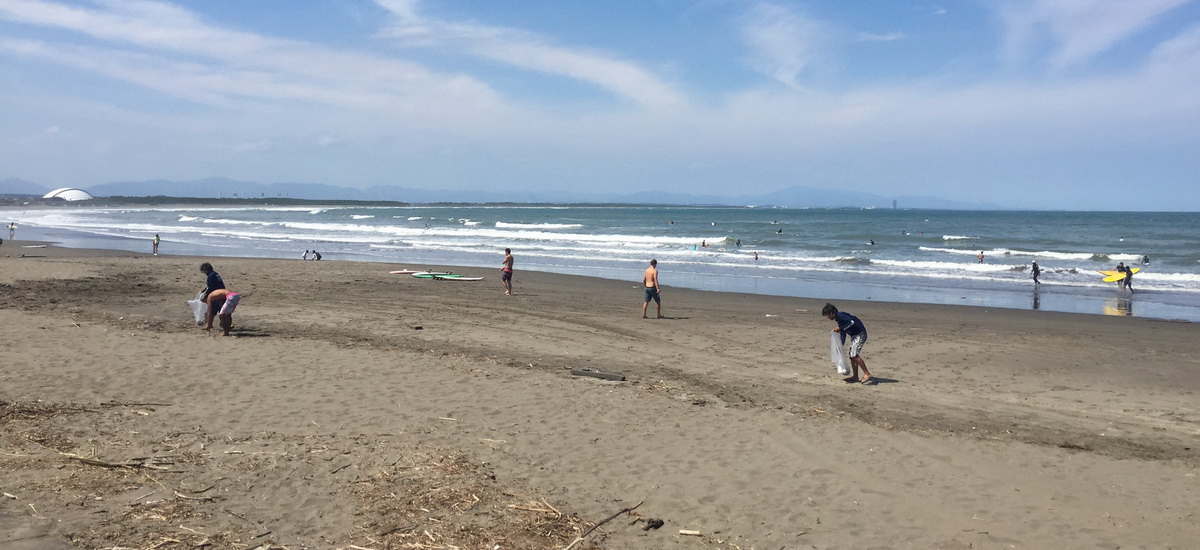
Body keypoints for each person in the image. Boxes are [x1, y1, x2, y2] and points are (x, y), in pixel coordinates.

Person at [823, 303, 873, 384]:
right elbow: (843, 333)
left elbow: (851, 323)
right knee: (852, 356)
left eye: (827, 315)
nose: (827, 317)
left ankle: (867, 373)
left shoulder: (841, 315)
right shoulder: (838, 319)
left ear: (831, 313)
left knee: (854, 355)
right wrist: (841, 344)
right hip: (854, 336)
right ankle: (855, 377)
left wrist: (840, 328)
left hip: (860, 334)